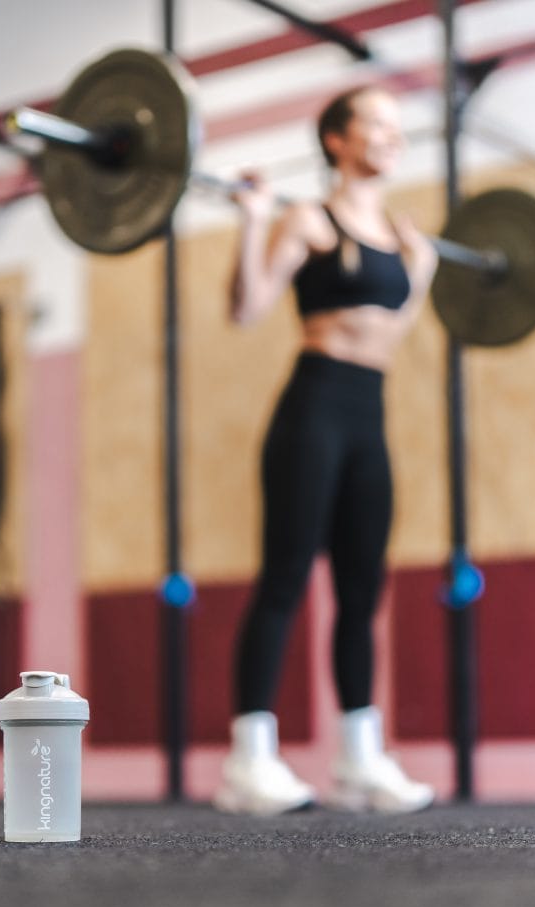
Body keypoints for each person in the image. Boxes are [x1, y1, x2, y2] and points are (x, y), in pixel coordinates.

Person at [216, 85, 439, 816]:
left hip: (369, 415)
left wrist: (423, 271)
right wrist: (253, 222)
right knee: (284, 579)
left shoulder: (395, 234)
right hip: (312, 409)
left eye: (395, 126)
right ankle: (249, 761)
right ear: (337, 140)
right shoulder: (310, 220)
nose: (391, 136)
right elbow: (248, 307)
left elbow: (389, 334)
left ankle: (359, 759)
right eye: (376, 122)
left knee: (361, 592)